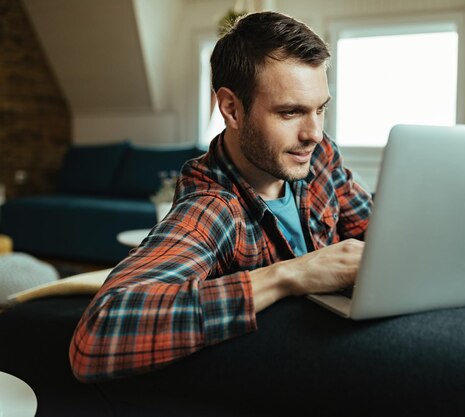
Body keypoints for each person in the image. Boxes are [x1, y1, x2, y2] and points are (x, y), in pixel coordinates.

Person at [69, 11, 373, 383]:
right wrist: (288, 275)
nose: (313, 132)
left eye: (320, 109)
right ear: (231, 108)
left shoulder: (321, 156)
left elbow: (375, 230)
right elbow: (98, 334)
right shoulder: (213, 207)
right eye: (290, 112)